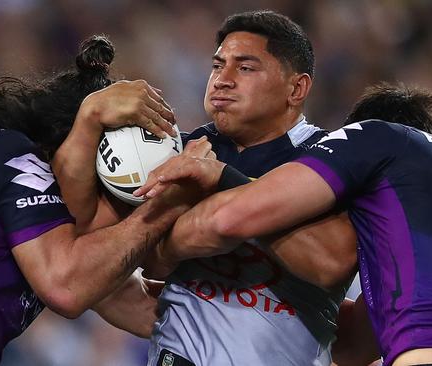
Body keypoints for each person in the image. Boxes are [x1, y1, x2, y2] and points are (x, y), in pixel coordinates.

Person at [139, 83, 432, 366]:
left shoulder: (379, 137)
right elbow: (357, 345)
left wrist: (214, 173)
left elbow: (231, 216)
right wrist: (276, 301)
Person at [55, 10, 357, 366]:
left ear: (296, 88)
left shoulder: (330, 161)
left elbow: (331, 263)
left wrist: (214, 195)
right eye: (217, 65)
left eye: (245, 68)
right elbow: (80, 240)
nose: (222, 79)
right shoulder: (166, 153)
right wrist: (88, 119)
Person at [0, 35, 200, 366]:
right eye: (106, 192)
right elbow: (65, 288)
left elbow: (139, 307)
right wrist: (168, 202)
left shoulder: (30, 227)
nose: (111, 212)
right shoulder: (11, 154)